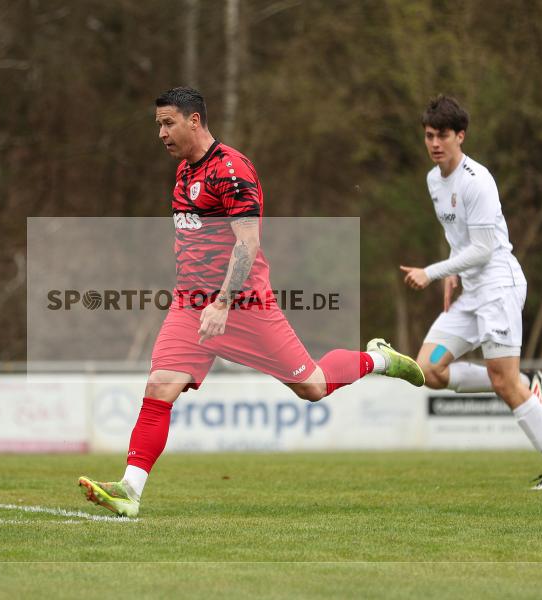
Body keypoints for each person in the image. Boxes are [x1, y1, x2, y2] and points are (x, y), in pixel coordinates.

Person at [78, 87, 425, 517]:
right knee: (158, 387)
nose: (161, 133)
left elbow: (247, 243)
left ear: (194, 121)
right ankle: (130, 490)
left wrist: (222, 303)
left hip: (243, 304)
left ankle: (379, 359)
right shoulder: (185, 171)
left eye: (168, 123)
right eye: (158, 126)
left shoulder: (232, 169)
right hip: (190, 304)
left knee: (312, 386)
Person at [397, 95, 542, 490]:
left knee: (503, 383)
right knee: (426, 370)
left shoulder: (478, 181)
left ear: (460, 136)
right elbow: (459, 238)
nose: (434, 143)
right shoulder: (433, 180)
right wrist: (451, 273)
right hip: (472, 290)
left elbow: (484, 249)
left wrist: (432, 272)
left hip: (498, 287)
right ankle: (524, 381)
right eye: (429, 135)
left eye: (443, 135)